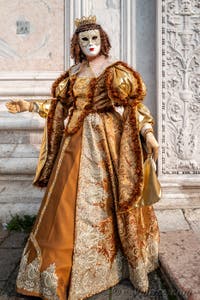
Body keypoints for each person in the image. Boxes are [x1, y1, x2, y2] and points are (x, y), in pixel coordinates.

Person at [6, 16, 160, 300]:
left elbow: (133, 106)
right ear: (76, 44)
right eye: (84, 40)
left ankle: (125, 263)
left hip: (108, 142)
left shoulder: (116, 71)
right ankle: (59, 271)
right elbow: (60, 109)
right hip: (74, 144)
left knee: (116, 199)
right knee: (64, 204)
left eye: (94, 39)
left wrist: (148, 134)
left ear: (103, 41)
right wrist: (28, 105)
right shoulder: (73, 73)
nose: (90, 44)